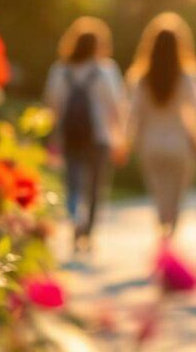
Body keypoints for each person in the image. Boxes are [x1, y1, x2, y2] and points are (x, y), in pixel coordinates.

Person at [126, 13, 196, 240]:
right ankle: (170, 235)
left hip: (151, 144)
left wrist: (129, 143)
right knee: (176, 196)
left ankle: (162, 231)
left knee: (159, 195)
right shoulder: (187, 76)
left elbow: (134, 115)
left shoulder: (142, 78)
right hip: (179, 144)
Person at [43, 16, 126, 254]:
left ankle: (75, 218)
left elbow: (52, 106)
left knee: (73, 183)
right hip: (99, 137)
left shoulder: (60, 70)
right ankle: (87, 232)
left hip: (70, 137)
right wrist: (120, 139)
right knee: (95, 187)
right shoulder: (106, 70)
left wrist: (53, 138)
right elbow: (116, 106)